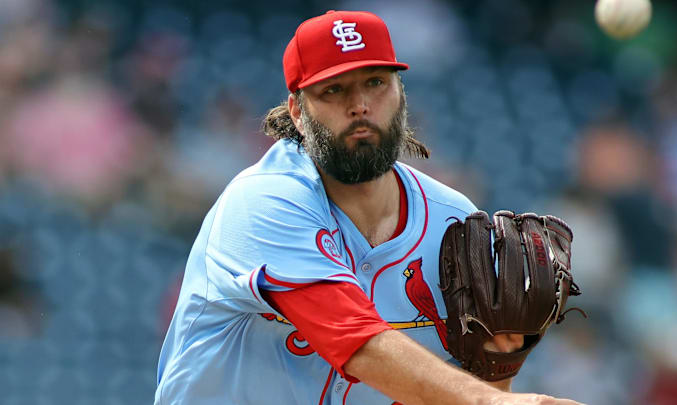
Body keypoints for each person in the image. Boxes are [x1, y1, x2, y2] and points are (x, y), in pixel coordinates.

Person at [155, 10, 585, 405]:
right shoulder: (263, 201)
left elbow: (455, 391)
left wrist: (498, 369)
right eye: (334, 89)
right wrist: (491, 402)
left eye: (376, 82)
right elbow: (352, 337)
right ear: (298, 113)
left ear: (401, 94)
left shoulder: (452, 222)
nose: (359, 105)